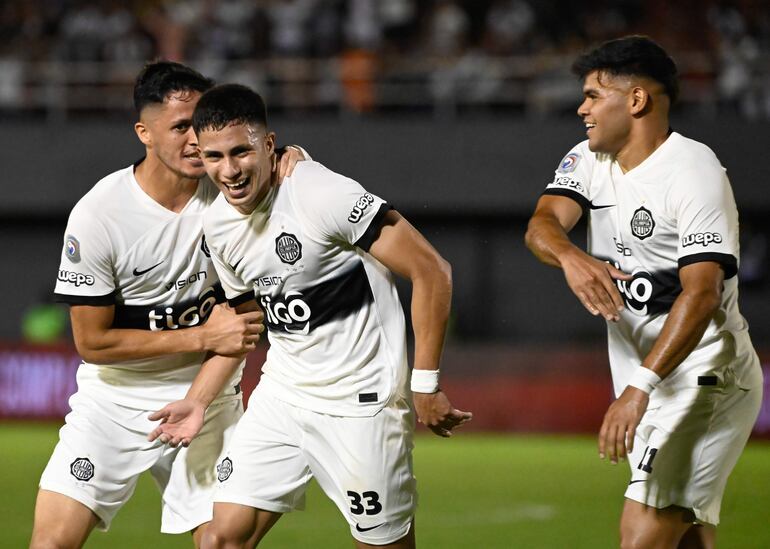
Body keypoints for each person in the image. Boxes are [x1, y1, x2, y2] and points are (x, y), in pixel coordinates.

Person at [150, 83, 472, 549]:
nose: (230, 170)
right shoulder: (218, 225)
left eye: (241, 152)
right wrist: (198, 400)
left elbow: (432, 271)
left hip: (361, 404)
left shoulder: (321, 194)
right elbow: (246, 327)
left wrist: (425, 384)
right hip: (283, 396)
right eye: (215, 157)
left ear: (268, 145)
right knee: (219, 539)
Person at [30, 61, 306, 548]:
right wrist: (201, 334)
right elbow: (92, 343)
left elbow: (241, 328)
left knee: (222, 542)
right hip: (114, 402)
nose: (197, 141)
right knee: (51, 543)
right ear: (145, 133)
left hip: (208, 395)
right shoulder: (100, 215)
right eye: (181, 127)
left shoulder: (234, 192)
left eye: (200, 125)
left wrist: (296, 159)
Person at [525, 36, 763, 548]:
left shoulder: (693, 173)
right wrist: (569, 256)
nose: (581, 109)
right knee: (684, 533)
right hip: (652, 378)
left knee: (641, 533)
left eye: (593, 95)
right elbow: (542, 223)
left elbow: (702, 295)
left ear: (636, 100)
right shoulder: (590, 160)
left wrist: (639, 389)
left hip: (704, 378)